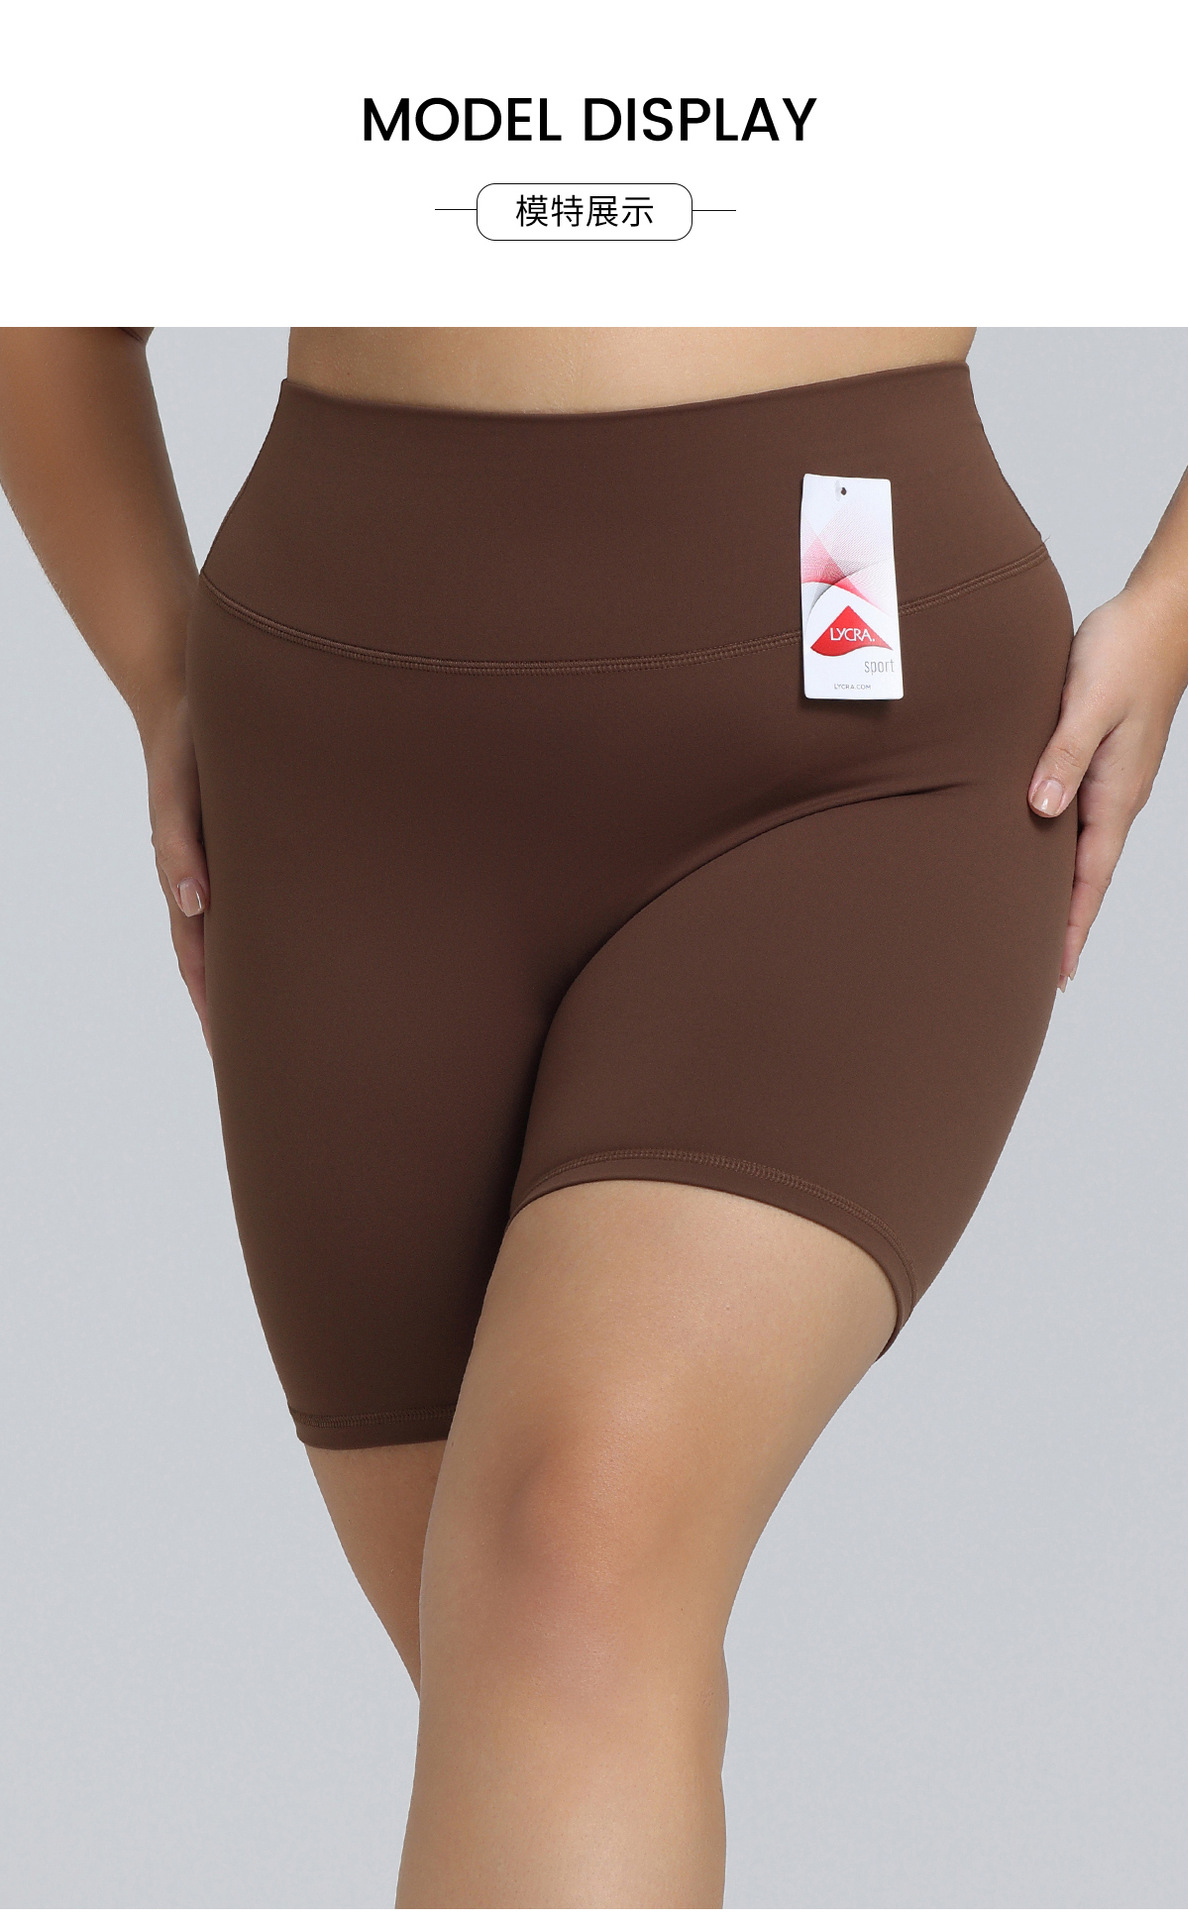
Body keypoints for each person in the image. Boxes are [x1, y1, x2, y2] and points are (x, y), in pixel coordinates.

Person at [1, 326, 1185, 1908]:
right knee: (533, 1681)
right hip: (342, 784)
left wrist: (1171, 612)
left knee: (566, 1564)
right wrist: (164, 673)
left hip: (847, 740)